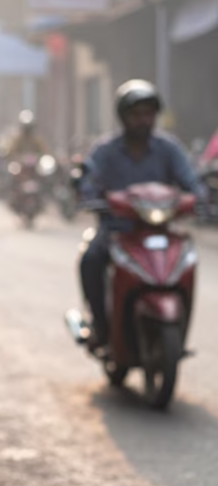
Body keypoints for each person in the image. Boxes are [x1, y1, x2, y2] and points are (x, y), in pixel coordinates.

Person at [80, 79, 201, 347]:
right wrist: (89, 195)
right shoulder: (105, 151)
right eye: (136, 115)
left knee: (188, 262)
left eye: (148, 114)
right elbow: (88, 181)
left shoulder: (168, 148)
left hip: (158, 231)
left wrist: (200, 198)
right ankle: (101, 326)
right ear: (123, 117)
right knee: (90, 260)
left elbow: (191, 184)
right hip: (116, 232)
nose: (142, 120)